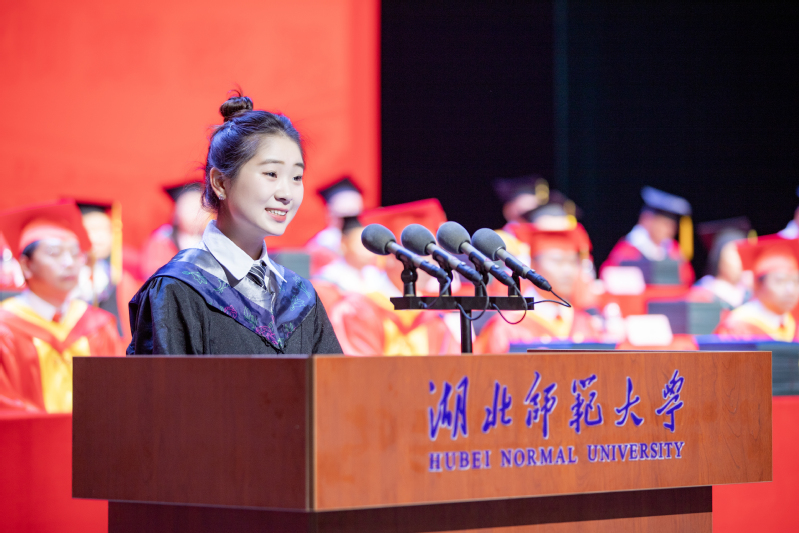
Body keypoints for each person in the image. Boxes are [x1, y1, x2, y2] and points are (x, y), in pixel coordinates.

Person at [128, 93, 342, 356]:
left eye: (296, 177)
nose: (287, 193)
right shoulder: (178, 288)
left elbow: (333, 381)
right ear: (220, 183)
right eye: (271, 174)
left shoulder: (300, 297)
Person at [0, 200, 123, 412]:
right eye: (54, 253)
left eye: (75, 254)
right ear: (26, 265)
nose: (69, 263)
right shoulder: (6, 329)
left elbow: (119, 393)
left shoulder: (99, 325)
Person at [474, 225, 601, 353]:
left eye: (573, 262)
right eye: (558, 261)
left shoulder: (585, 323)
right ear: (533, 265)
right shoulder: (507, 325)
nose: (568, 271)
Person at [601, 186, 695, 286]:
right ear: (647, 220)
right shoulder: (628, 249)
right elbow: (608, 276)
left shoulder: (673, 249)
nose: (670, 231)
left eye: (672, 226)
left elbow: (688, 278)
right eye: (665, 224)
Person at [715, 236, 799, 341]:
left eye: (796, 281)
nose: (791, 290)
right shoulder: (737, 327)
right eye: (780, 281)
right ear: (757, 285)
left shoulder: (793, 326)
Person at [312, 216, 399, 300]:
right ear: (344, 243)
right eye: (361, 245)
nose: (367, 251)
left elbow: (393, 299)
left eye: (369, 245)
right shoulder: (328, 277)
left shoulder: (374, 274)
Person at [139, 181, 210, 279]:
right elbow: (153, 275)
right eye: (190, 207)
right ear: (176, 213)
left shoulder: (212, 241)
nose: (196, 213)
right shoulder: (161, 241)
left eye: (201, 207)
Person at [691, 217, 751, 309]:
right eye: (734, 257)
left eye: (743, 257)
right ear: (720, 260)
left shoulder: (749, 295)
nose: (740, 264)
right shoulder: (703, 292)